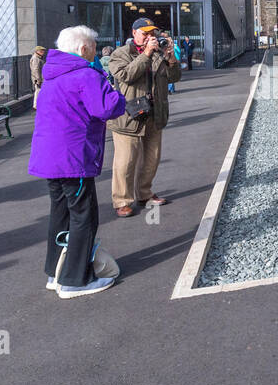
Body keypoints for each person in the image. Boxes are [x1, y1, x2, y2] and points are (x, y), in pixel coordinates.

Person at [28, 26, 126, 298]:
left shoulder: (52, 76)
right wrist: (118, 95)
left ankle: (55, 272)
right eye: (93, 46)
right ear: (84, 49)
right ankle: (75, 279)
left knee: (60, 214)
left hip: (50, 158)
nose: (95, 51)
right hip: (74, 157)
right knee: (84, 216)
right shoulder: (85, 74)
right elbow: (105, 108)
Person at [107, 17, 182, 217]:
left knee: (152, 158)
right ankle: (122, 200)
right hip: (128, 115)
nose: (150, 37)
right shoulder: (120, 54)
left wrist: (170, 58)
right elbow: (127, 76)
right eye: (145, 33)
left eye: (152, 33)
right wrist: (146, 54)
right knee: (126, 161)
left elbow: (174, 78)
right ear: (134, 33)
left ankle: (144, 193)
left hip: (154, 112)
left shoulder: (159, 53)